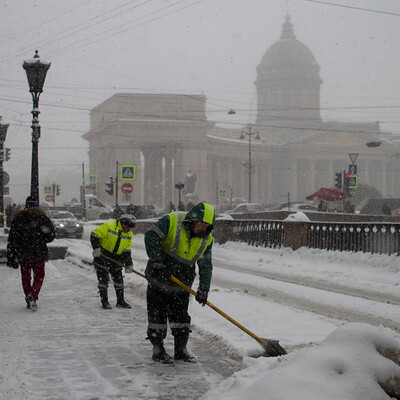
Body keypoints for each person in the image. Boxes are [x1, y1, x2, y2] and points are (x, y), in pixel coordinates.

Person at [144, 202, 215, 364]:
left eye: (206, 226)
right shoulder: (172, 221)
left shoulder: (207, 239)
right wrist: (156, 259)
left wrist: (204, 289)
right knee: (157, 316)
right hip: (159, 279)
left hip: (182, 284)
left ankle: (181, 349)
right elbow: (151, 236)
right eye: (200, 224)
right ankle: (158, 349)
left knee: (181, 317)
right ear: (192, 220)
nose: (202, 229)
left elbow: (205, 265)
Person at [6, 196, 55, 311]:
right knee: (39, 276)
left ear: (26, 205)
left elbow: (12, 238)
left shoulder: (19, 218)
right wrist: (42, 240)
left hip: (23, 253)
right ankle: (33, 294)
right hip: (39, 253)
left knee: (25, 277)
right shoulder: (42, 218)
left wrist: (12, 254)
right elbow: (50, 234)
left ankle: (29, 296)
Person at [91, 214, 136, 309]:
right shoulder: (109, 226)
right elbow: (94, 235)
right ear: (123, 224)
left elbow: (126, 251)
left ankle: (120, 301)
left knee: (119, 280)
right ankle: (105, 302)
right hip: (102, 256)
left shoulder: (129, 235)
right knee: (103, 280)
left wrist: (129, 264)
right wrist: (96, 249)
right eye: (129, 227)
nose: (129, 229)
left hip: (116, 259)